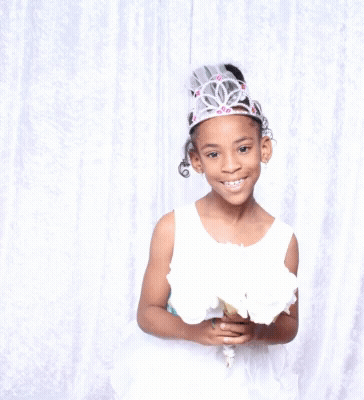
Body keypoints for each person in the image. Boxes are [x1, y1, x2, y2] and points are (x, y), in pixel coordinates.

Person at [111, 63, 299, 400]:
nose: (231, 165)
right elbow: (147, 313)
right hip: (180, 380)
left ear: (264, 148)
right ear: (196, 160)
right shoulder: (173, 228)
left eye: (243, 148)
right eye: (214, 154)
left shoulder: (283, 240)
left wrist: (256, 331)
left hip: (248, 384)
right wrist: (197, 332)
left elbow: (289, 325)